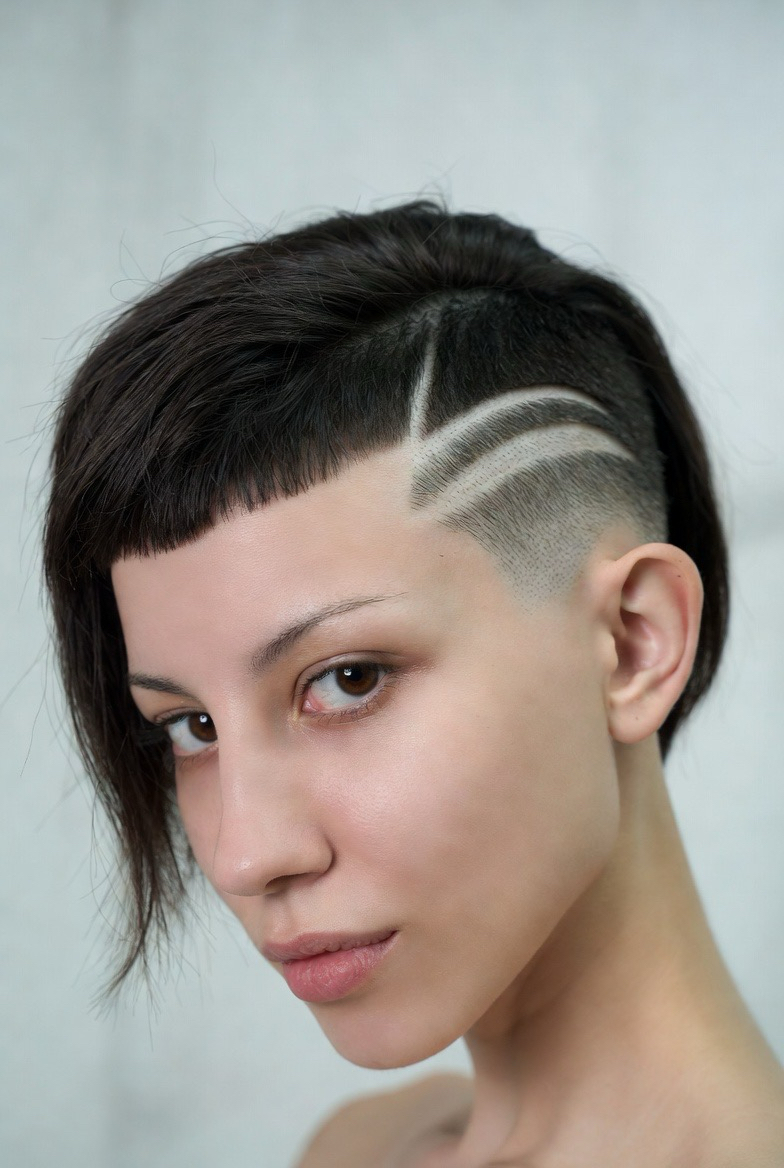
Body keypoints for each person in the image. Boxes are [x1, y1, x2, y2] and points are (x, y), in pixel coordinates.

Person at [42, 201, 784, 1167]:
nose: (245, 855)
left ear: (633, 642)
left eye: (347, 681)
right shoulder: (360, 1147)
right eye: (191, 728)